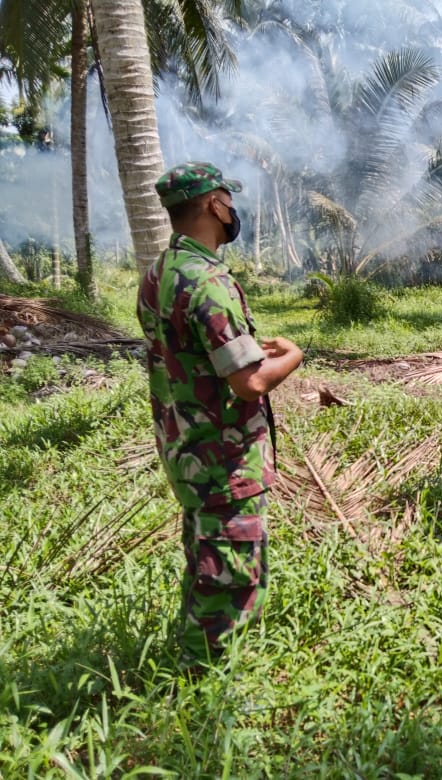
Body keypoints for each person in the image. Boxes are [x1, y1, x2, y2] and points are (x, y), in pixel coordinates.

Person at [137, 161, 303, 670]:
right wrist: (292, 355)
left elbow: (187, 357)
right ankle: (203, 684)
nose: (233, 209)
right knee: (230, 573)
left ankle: (198, 663)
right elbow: (248, 382)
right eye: (228, 199)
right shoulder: (209, 282)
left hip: (186, 447)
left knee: (206, 557)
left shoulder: (159, 273)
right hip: (223, 455)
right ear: (214, 203)